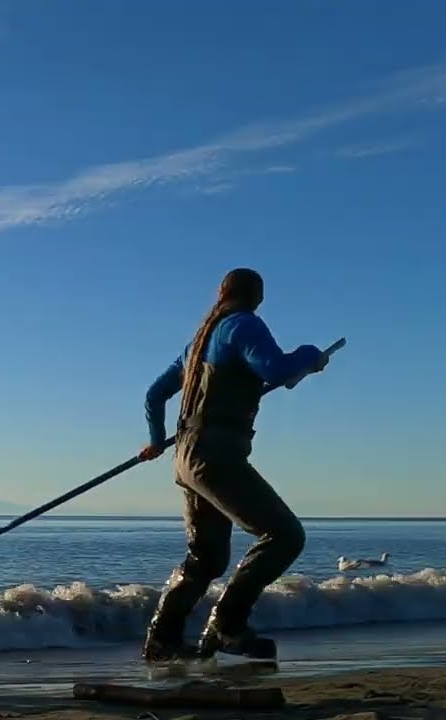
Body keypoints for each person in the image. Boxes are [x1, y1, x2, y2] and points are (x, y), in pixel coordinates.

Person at [138, 267, 328, 662]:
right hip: (216, 456)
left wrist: (157, 441)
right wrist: (310, 356)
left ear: (221, 292)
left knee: (206, 558)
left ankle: (162, 640)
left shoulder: (198, 341)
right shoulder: (244, 326)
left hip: (187, 458)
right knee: (284, 536)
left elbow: (154, 395)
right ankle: (228, 624)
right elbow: (275, 369)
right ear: (257, 297)